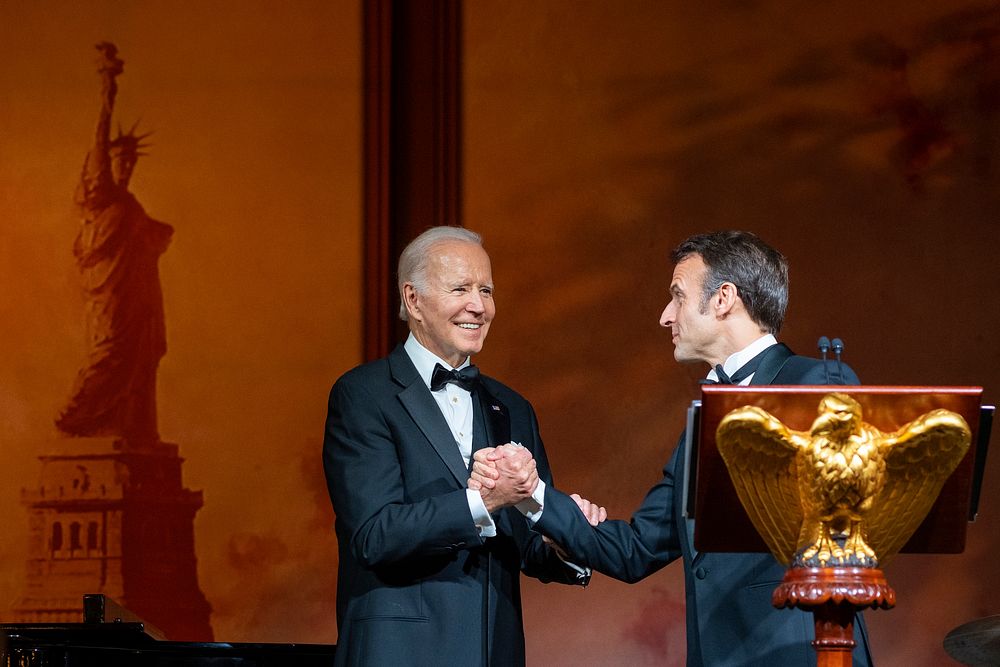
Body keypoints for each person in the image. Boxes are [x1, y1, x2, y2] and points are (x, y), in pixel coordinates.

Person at [473, 230, 875, 666]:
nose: (666, 316)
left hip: (799, 651)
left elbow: (849, 516)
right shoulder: (700, 422)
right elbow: (636, 550)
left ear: (723, 299)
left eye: (678, 296)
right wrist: (532, 495)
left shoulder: (813, 381)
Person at [323, 226, 595, 666]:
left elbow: (525, 543)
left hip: (493, 651)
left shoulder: (513, 407)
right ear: (413, 300)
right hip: (399, 653)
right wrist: (479, 502)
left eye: (486, 290)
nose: (479, 305)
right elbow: (374, 535)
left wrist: (565, 540)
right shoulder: (363, 395)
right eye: (461, 288)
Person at [57, 43, 173, 443]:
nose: (126, 167)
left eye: (131, 163)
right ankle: (75, 414)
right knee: (107, 355)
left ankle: (132, 428)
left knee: (140, 362)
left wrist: (158, 233)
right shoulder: (101, 195)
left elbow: (147, 239)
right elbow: (98, 144)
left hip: (137, 300)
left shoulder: (129, 205)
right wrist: (108, 90)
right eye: (119, 161)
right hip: (108, 297)